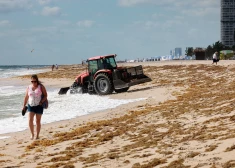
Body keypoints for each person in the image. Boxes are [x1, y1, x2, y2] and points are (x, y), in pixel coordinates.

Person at [22, 74, 48, 140]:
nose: (33, 83)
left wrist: (41, 102)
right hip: (30, 105)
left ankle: (37, 135)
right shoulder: (29, 87)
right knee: (30, 120)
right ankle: (32, 134)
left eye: (35, 81)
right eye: (32, 81)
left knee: (38, 121)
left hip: (39, 105)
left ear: (37, 80)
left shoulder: (41, 87)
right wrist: (23, 106)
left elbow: (45, 95)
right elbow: (26, 97)